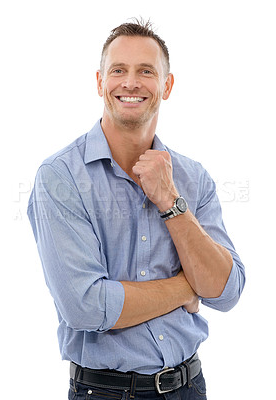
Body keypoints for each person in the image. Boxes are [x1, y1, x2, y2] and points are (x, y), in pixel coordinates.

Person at [27, 19, 245, 400]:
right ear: (99, 82)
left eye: (146, 71)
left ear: (167, 85)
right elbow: (87, 307)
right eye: (118, 70)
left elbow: (226, 291)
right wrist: (186, 288)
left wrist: (171, 202)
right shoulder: (59, 177)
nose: (131, 83)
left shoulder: (193, 179)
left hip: (189, 387)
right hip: (104, 392)